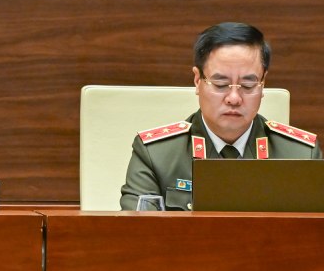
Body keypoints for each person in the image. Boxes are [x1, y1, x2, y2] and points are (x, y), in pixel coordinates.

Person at [120, 22, 321, 210]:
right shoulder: (156, 154)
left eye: (248, 85)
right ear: (197, 81)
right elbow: (136, 236)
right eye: (221, 84)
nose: (234, 98)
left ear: (263, 83)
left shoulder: (301, 154)